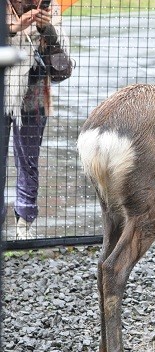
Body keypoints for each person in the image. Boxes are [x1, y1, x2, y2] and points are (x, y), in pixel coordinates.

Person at [3, 0, 71, 239]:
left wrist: (47, 29)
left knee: (28, 163)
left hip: (34, 98)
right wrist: (13, 27)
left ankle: (24, 224)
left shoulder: (49, 7)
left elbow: (63, 59)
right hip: (3, 92)